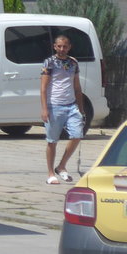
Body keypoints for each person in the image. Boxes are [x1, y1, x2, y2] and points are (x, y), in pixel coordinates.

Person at [41, 34, 84, 184]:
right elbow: (43, 88)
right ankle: (50, 172)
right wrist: (44, 109)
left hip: (71, 105)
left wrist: (81, 108)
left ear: (69, 47)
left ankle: (62, 166)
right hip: (55, 106)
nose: (62, 49)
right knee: (52, 140)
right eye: (59, 46)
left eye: (65, 46)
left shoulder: (73, 63)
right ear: (54, 46)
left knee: (77, 135)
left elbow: (77, 87)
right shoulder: (49, 62)